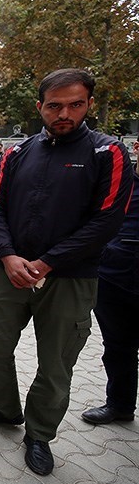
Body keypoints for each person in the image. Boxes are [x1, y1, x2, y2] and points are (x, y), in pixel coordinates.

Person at [0, 68, 132, 477]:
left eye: (75, 104)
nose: (64, 113)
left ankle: (39, 435)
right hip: (9, 270)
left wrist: (46, 262)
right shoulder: (19, 153)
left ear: (89, 104)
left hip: (71, 279)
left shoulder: (106, 153)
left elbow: (106, 221)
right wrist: (7, 256)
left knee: (55, 364)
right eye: (55, 105)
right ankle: (5, 410)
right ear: (40, 107)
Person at [81, 139, 139, 427]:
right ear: (137, 147)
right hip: (114, 277)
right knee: (118, 345)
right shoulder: (120, 182)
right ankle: (120, 404)